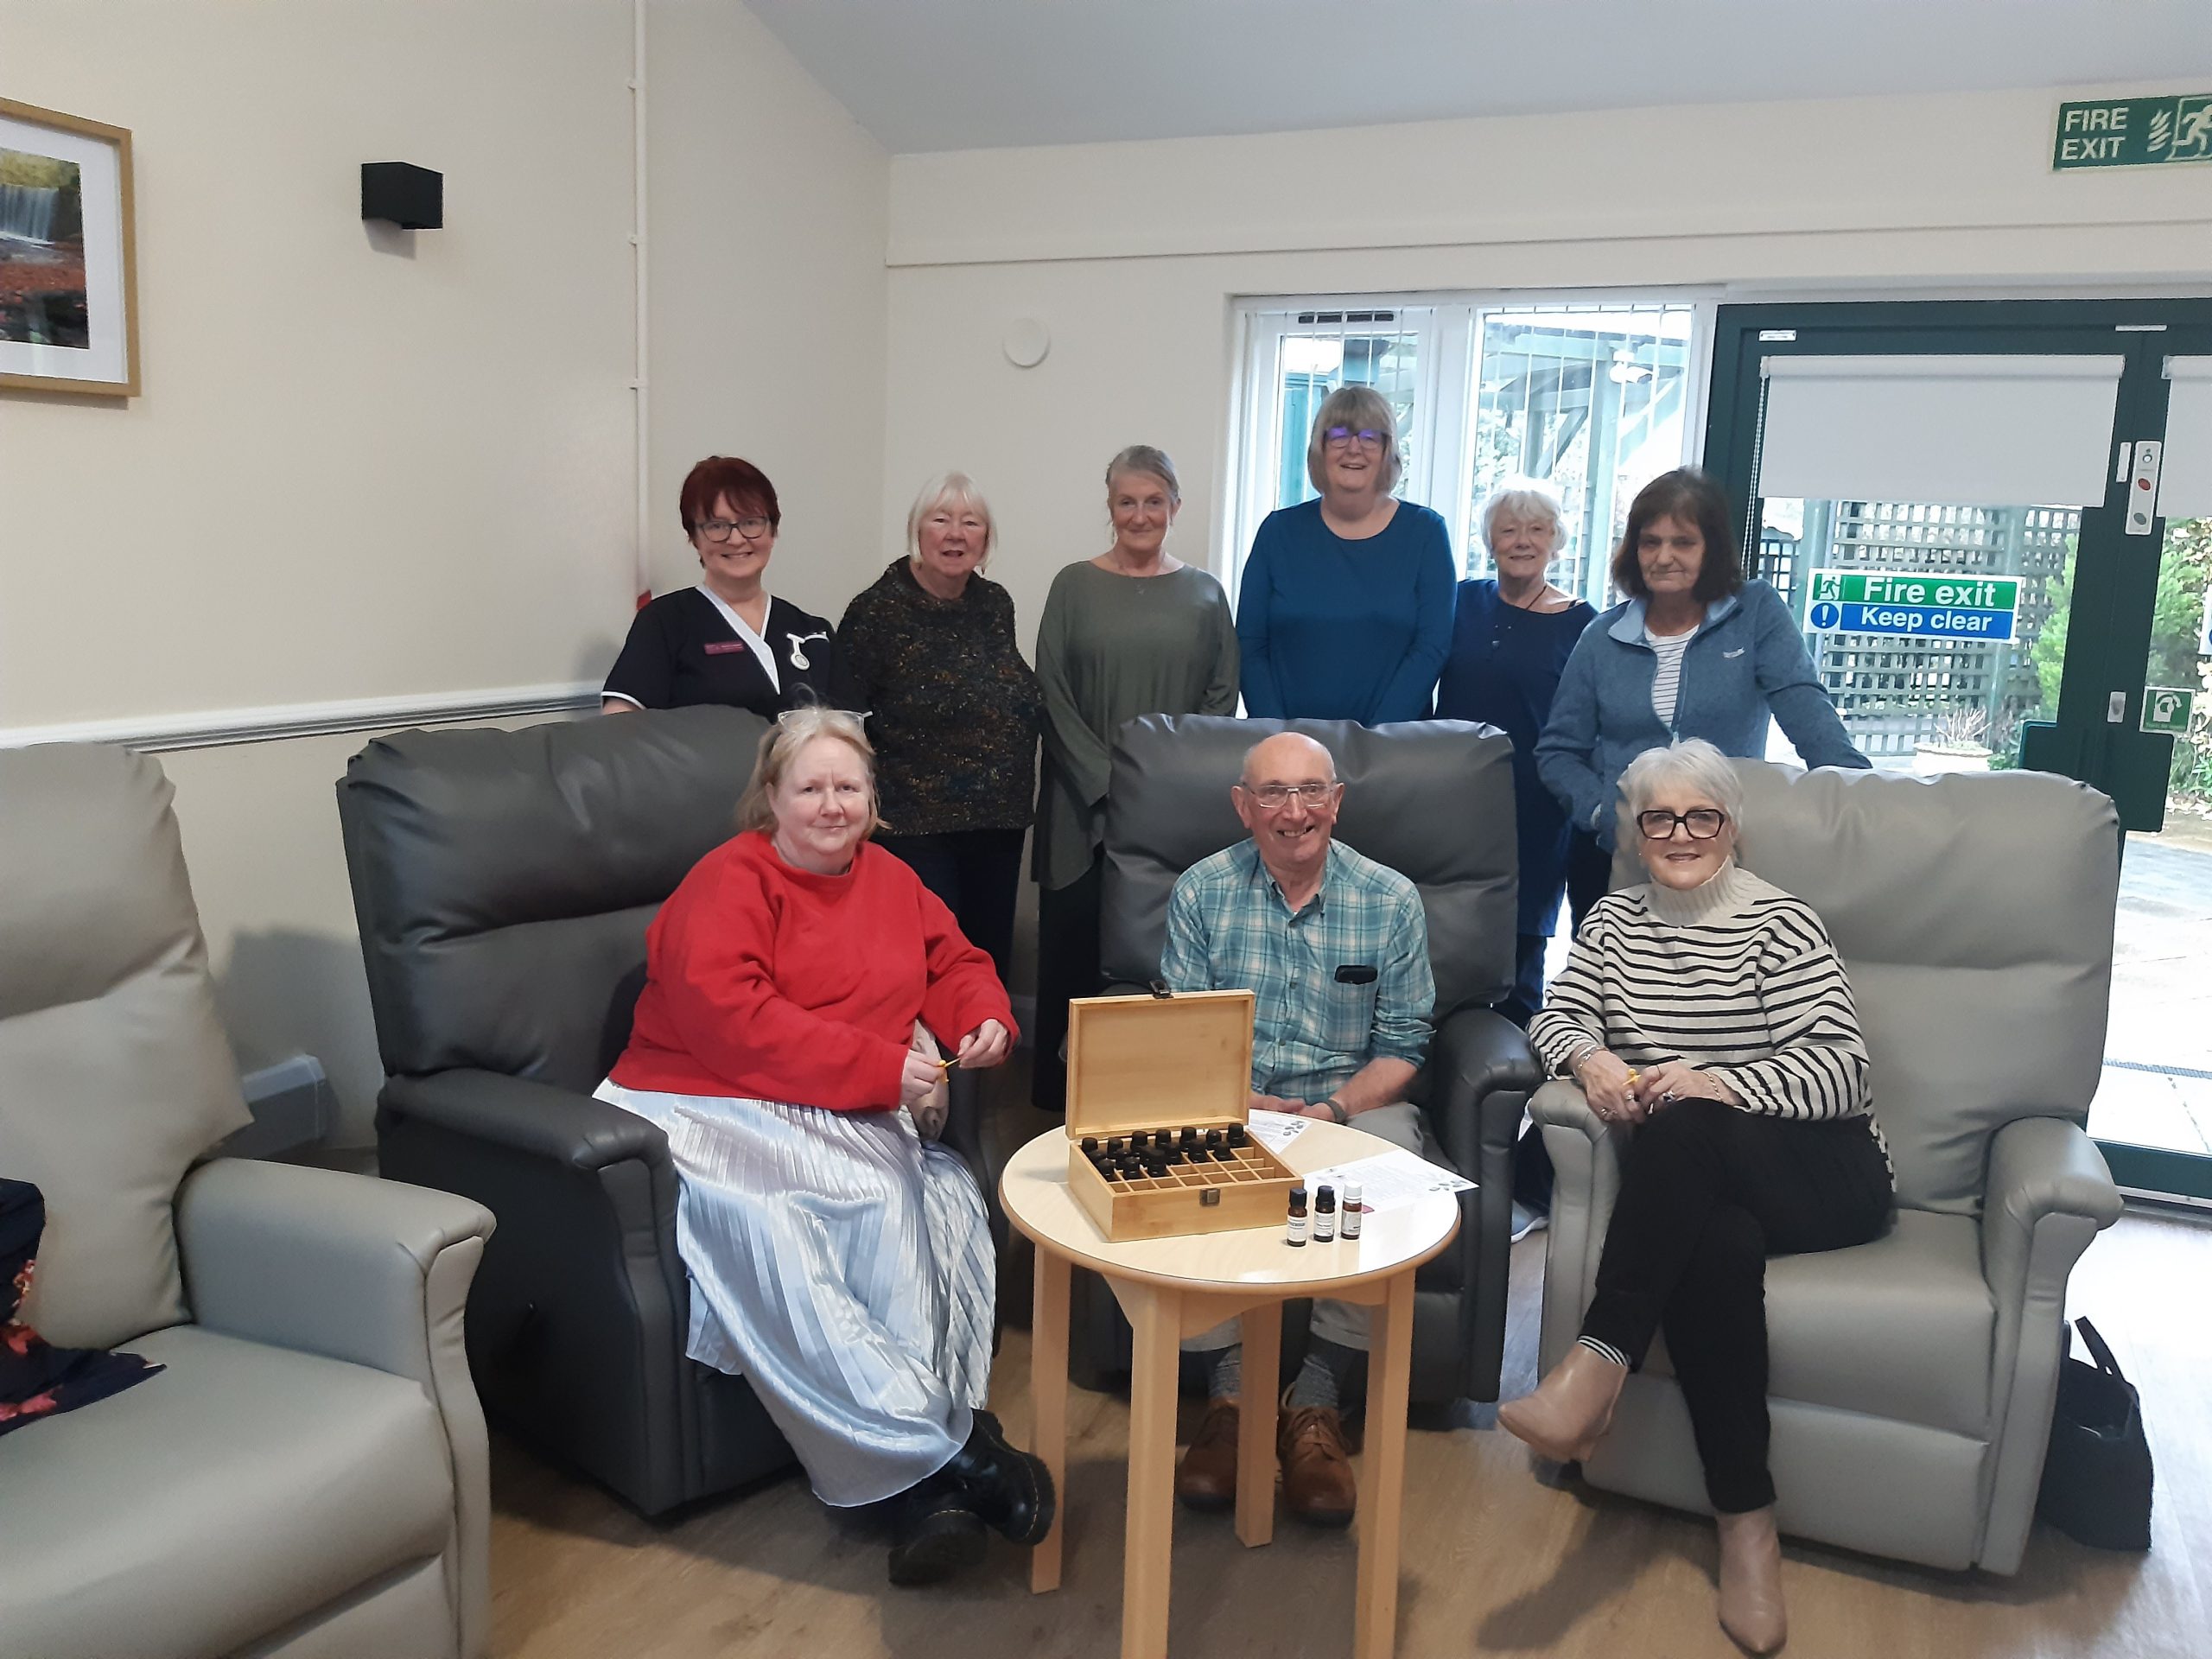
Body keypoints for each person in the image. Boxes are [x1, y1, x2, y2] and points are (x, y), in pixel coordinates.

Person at [593, 708, 1050, 1587]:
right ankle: (958, 1453)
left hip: (839, 1094)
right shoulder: (727, 882)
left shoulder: (891, 878)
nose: (831, 804)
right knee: (780, 1219)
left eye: (848, 786)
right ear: (771, 798)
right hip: (701, 1098)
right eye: (810, 787)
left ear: (873, 800)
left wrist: (981, 1016)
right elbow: (736, 1027)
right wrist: (885, 1068)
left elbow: (953, 960)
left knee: (933, 1199)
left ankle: (927, 1492)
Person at [1505, 739, 1892, 1656]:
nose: (1679, 833)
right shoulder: (1612, 924)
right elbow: (1552, 1012)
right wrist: (1591, 1057)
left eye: (1700, 816)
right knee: (1711, 1243)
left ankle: (1595, 1363)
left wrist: (1717, 1083)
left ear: (1730, 828)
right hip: (1702, 1187)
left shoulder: (1780, 924)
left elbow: (1843, 1073)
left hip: (1823, 1170)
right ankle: (1746, 1525)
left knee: (1677, 1118)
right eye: (1659, 818)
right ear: (1636, 836)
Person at [1160, 732, 1436, 1528]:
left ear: (1337, 801)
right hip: (1231, 1096)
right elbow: (1184, 1033)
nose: (1295, 812)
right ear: (1243, 807)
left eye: (1312, 791)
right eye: (1273, 794)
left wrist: (1331, 1115)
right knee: (1182, 1152)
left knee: (1385, 1167)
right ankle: (1231, 1401)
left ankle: (1315, 1405)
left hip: (1349, 1101)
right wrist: (1242, 1103)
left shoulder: (1391, 899)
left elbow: (1405, 1045)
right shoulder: (1202, 890)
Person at [1031, 445, 1239, 1112]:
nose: (1140, 514)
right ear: (1110, 507)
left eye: (1154, 501)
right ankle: (1057, 1113)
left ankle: (1146, 1105)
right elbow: (1052, 693)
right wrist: (1110, 783)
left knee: (1159, 964)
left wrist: (1160, 788)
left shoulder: (1207, 594)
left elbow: (1221, 696)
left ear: (1175, 508)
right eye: (1127, 501)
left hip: (1170, 815)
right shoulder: (1072, 586)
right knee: (1073, 954)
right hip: (1078, 806)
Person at [1536, 467, 1867, 855]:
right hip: (1620, 855)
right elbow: (1558, 751)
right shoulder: (1602, 636)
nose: (1664, 557)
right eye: (1650, 543)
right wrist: (1603, 813)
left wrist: (1866, 803)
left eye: (1683, 542)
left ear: (1711, 549)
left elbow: (1812, 720)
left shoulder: (1754, 613)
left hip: (1725, 850)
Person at [838, 474, 1042, 982]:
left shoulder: (995, 604)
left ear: (986, 538)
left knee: (986, 962)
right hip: (915, 827)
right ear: (918, 531)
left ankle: (977, 1061)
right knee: (930, 965)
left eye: (971, 522)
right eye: (941, 519)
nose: (956, 534)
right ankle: (927, 1064)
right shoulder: (876, 611)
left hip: (998, 821)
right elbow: (844, 725)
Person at [1433, 478, 1599, 1028]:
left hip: (1537, 799)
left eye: (1537, 529)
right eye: (1508, 529)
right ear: (1489, 539)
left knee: (1521, 948)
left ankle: (1510, 1065)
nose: (1522, 540)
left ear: (1557, 540)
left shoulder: (1582, 622)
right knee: (1448, 930)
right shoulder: (1459, 599)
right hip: (1455, 793)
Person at [1236, 386, 1455, 724]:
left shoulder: (1425, 532)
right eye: (1339, 434)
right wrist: (1280, 737)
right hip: (1288, 753)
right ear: (1320, 448)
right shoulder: (1278, 531)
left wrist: (1373, 740)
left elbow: (1432, 648)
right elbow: (1251, 646)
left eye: (1370, 437)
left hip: (1389, 749)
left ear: (1387, 451)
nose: (1354, 448)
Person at [602, 455, 852, 716]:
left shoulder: (814, 633)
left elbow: (851, 730)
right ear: (694, 537)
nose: (735, 539)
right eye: (717, 526)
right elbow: (620, 723)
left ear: (773, 531)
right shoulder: (664, 622)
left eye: (751, 523)